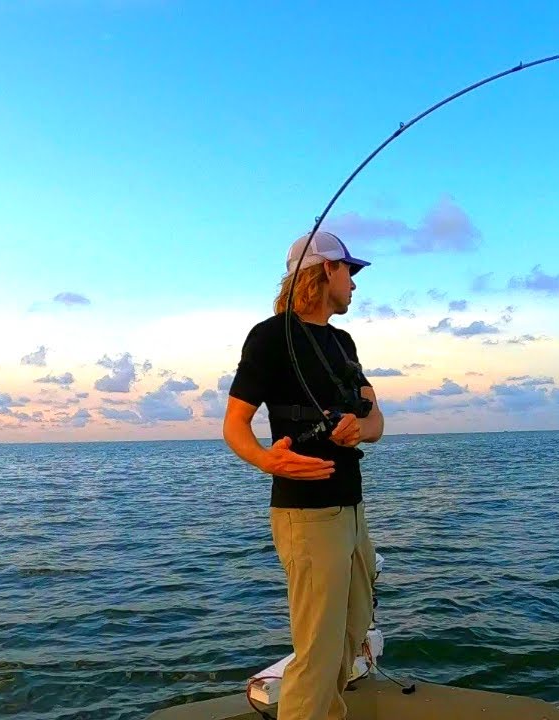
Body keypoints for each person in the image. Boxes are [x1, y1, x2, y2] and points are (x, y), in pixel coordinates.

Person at [223, 230, 386, 720]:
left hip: (352, 509)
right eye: (349, 272)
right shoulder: (270, 337)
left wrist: (361, 426)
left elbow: (378, 421)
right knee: (316, 650)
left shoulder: (344, 341)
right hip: (307, 515)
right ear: (324, 272)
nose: (355, 284)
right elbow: (235, 426)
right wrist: (266, 459)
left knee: (355, 628)